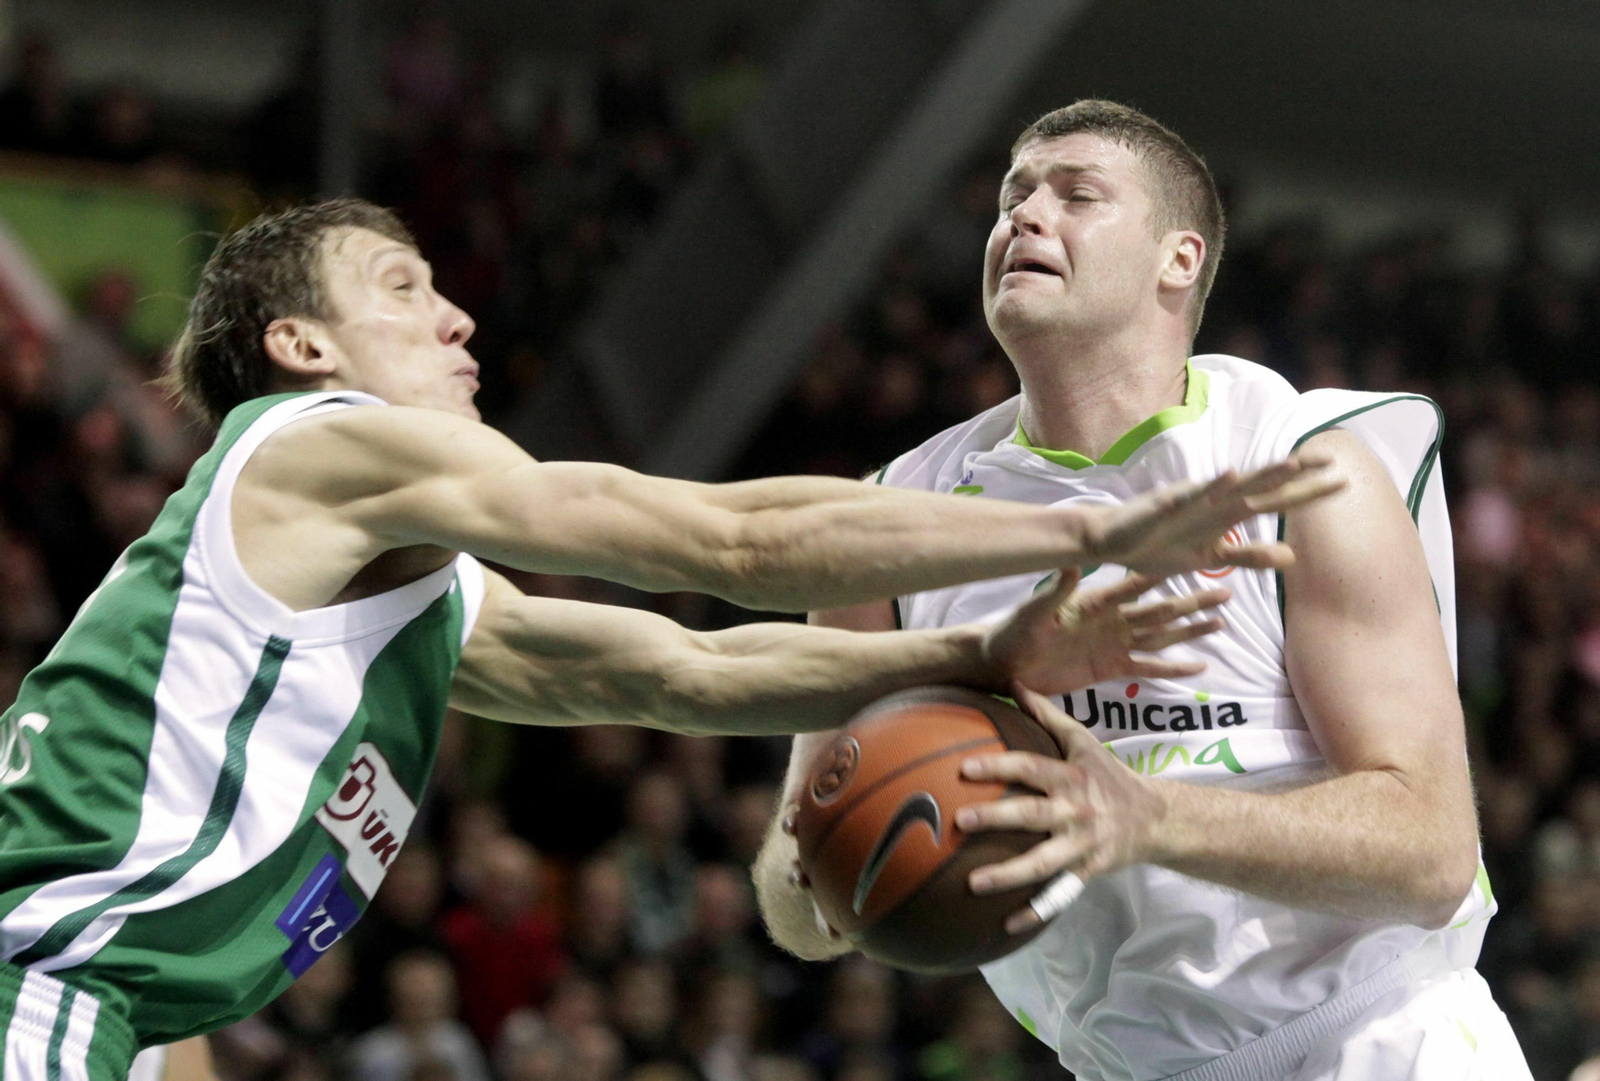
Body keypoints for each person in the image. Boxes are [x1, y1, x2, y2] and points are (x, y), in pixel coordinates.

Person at [0, 197, 1335, 1081]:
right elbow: (725, 545)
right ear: (300, 346)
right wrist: (1086, 532)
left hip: (99, 1005)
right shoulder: (314, 446)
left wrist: (970, 663)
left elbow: (683, 671)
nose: (458, 316)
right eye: (401, 289)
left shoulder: (405, 592)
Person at [754, 100, 1534, 1080]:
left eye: (1076, 194)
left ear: (1179, 259)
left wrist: (1144, 816)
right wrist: (843, 867)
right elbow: (795, 906)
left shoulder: (1297, 465)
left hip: (1374, 1044)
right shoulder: (891, 522)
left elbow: (1429, 854)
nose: (1026, 216)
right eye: (1012, 197)